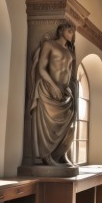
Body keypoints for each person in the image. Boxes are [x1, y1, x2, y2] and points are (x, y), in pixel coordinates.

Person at [29, 21, 78, 166]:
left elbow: (68, 72)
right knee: (49, 125)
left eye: (73, 32)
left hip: (64, 92)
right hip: (49, 89)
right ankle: (46, 156)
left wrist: (68, 87)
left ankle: (61, 154)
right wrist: (54, 86)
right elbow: (42, 69)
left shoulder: (70, 51)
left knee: (68, 124)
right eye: (70, 31)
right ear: (61, 30)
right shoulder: (49, 45)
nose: (72, 34)